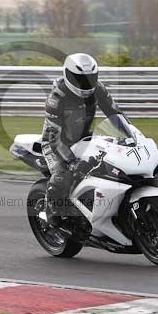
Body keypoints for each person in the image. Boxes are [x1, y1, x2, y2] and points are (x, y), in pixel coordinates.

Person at [41, 53, 122, 228]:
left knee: (111, 164)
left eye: (89, 78)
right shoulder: (57, 97)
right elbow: (54, 138)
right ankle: (52, 214)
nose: (85, 84)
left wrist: (132, 135)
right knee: (63, 174)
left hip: (85, 138)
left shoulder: (98, 89)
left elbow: (116, 114)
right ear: (68, 74)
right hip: (56, 143)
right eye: (80, 79)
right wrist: (70, 161)